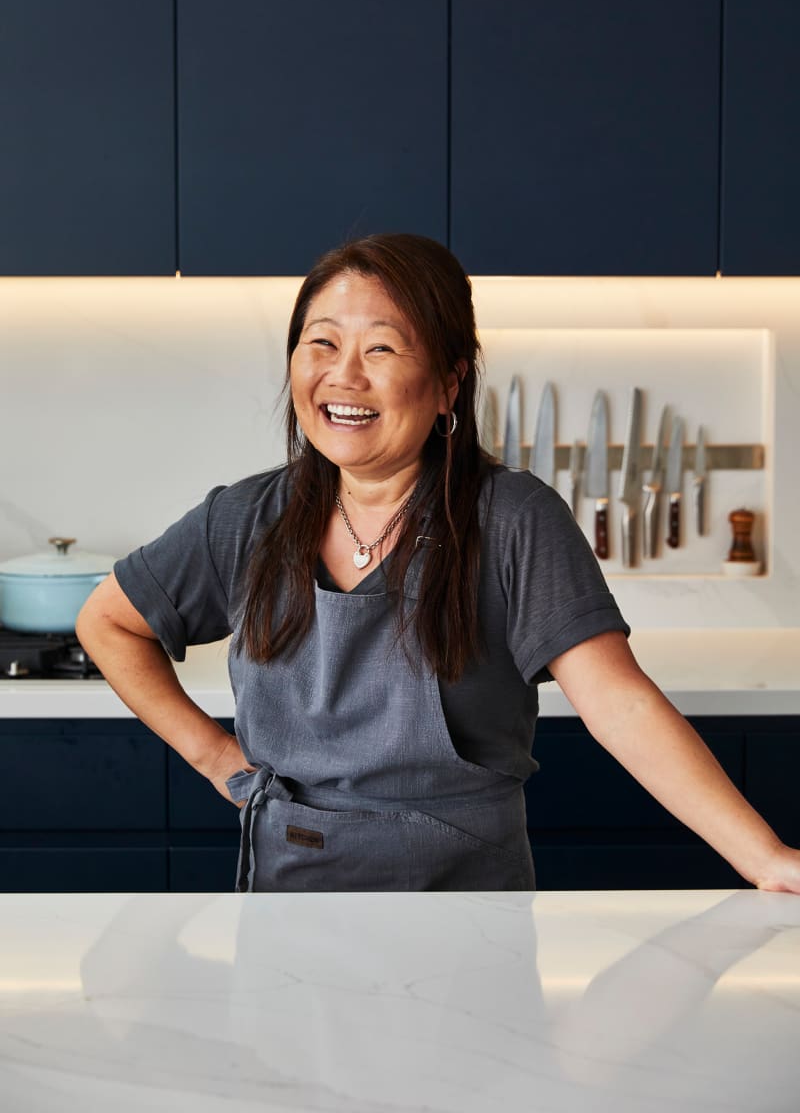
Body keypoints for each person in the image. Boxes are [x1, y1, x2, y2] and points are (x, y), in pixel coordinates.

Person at [76, 233, 800, 894]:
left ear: (450, 383)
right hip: (288, 914)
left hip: (466, 909)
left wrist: (766, 859)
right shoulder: (246, 519)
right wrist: (213, 757)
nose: (344, 377)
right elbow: (108, 621)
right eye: (320, 344)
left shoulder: (514, 519)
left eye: (382, 350)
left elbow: (619, 702)